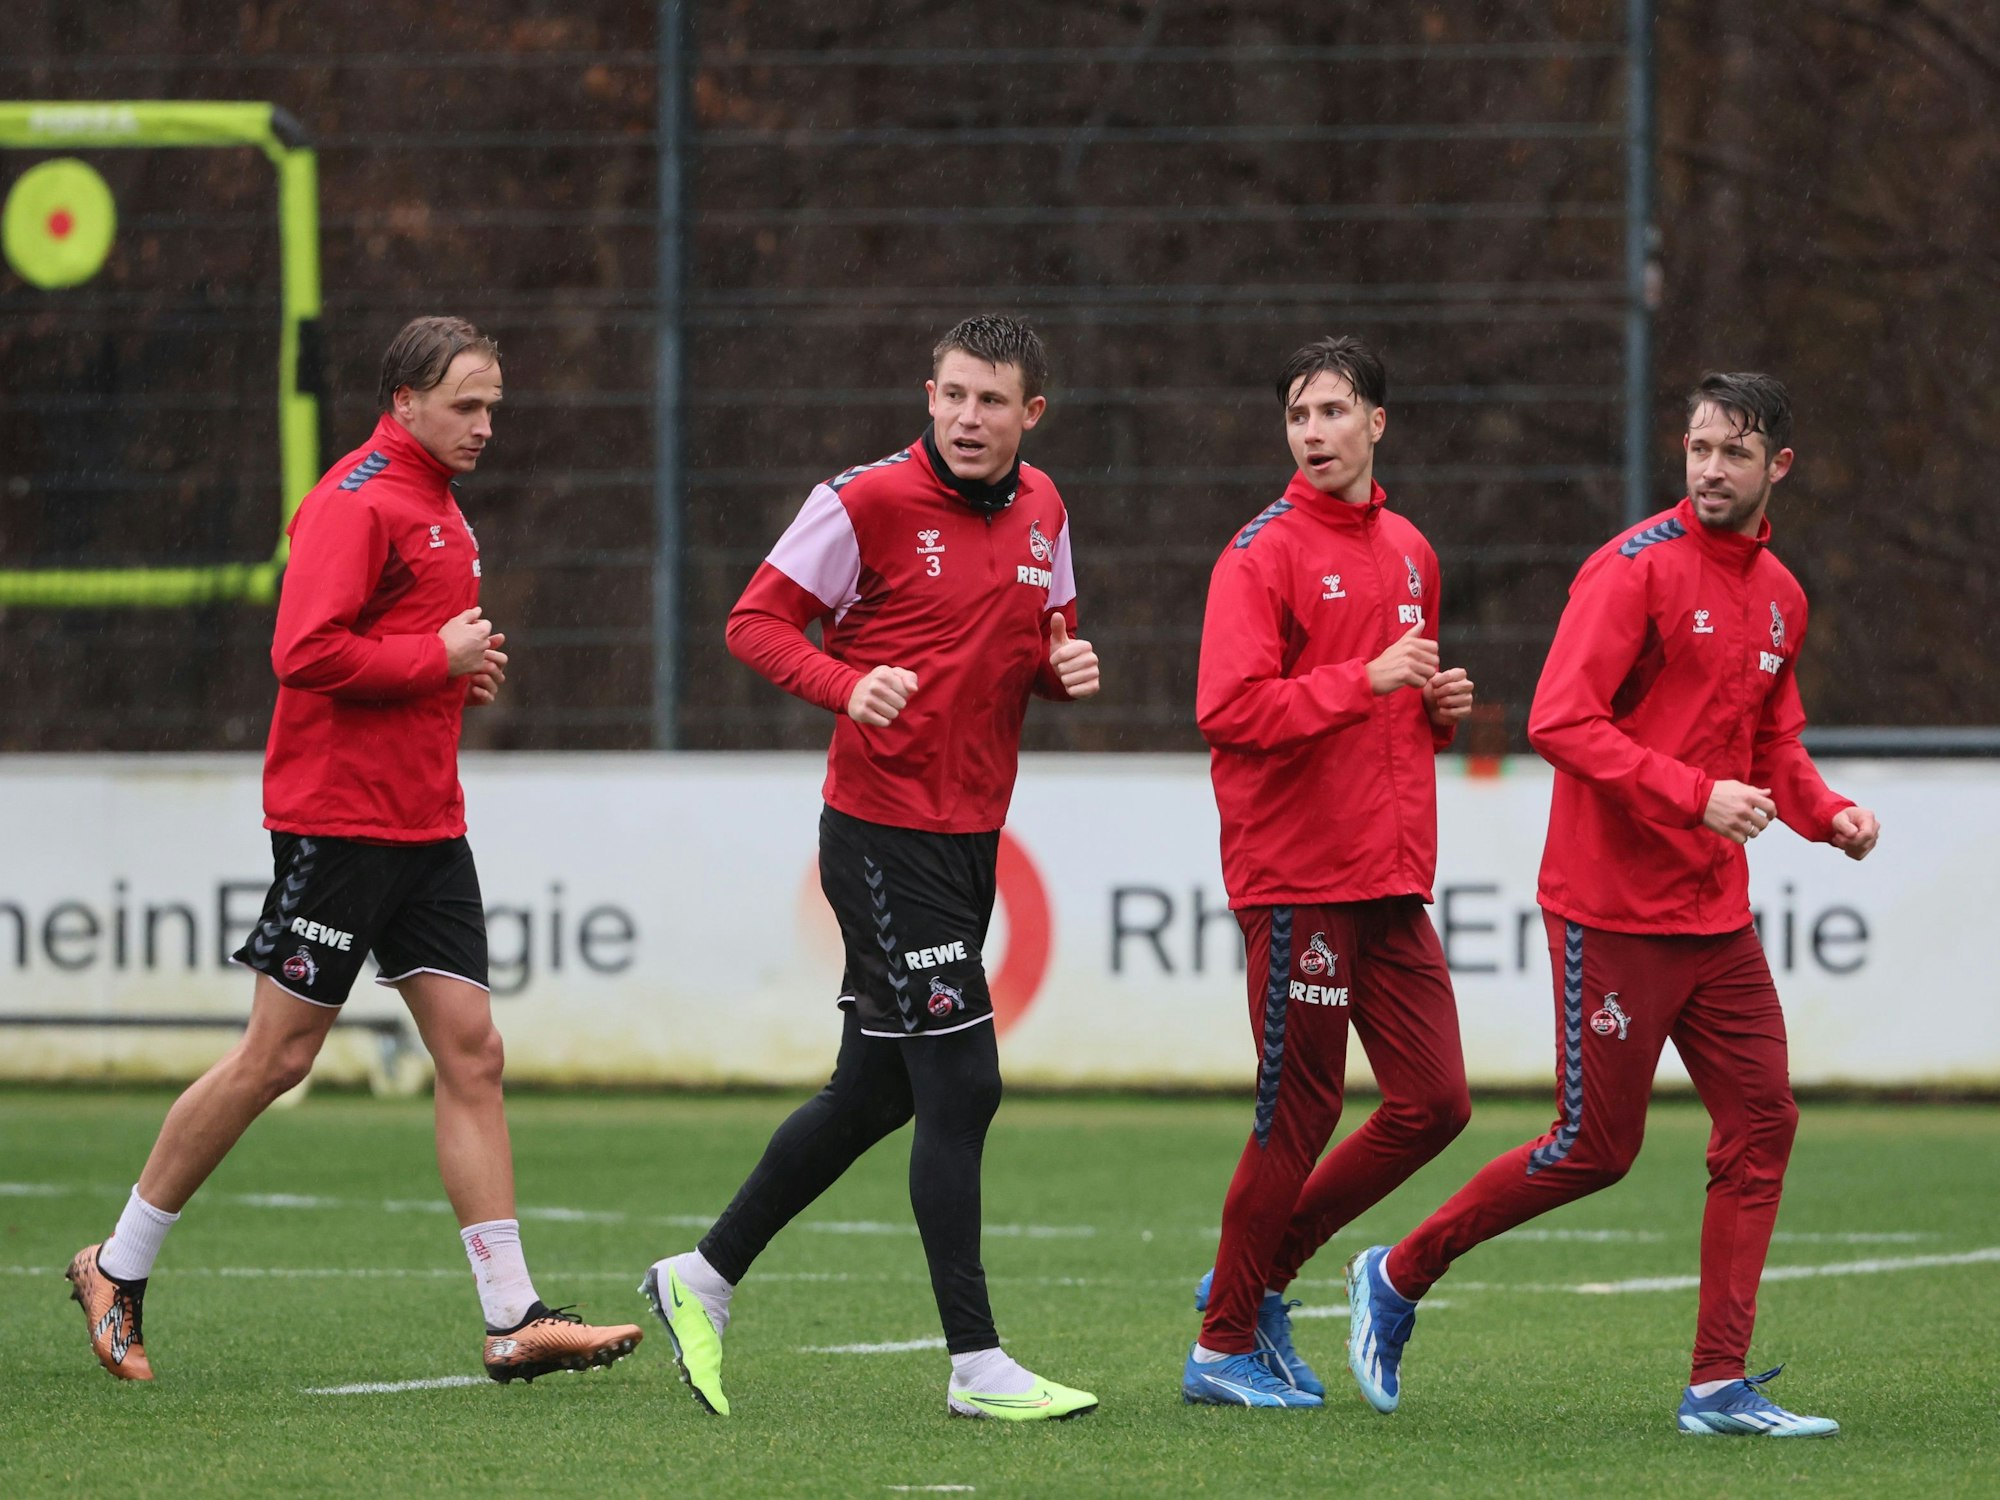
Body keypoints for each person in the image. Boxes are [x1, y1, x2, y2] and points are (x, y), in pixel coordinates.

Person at [65, 316, 642, 1385]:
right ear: (405, 399)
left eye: (493, 408)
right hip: (340, 820)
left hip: (426, 820)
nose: (483, 426)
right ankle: (116, 1264)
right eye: (466, 406)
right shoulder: (357, 499)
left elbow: (395, 647)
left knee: (472, 1050)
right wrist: (436, 655)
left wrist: (449, 670)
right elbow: (303, 652)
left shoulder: (438, 503)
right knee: (277, 1059)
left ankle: (511, 1317)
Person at [1345, 371, 1880, 1437]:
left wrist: (1826, 814)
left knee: (1761, 1120)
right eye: (1696, 448)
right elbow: (1558, 719)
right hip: (1610, 908)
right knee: (1593, 1148)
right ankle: (1397, 1272)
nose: (1710, 468)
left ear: (1777, 464)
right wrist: (1693, 796)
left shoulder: (1781, 595)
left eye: (1733, 451)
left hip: (1712, 918)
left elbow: (1774, 739)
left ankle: (1715, 1386)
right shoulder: (1631, 570)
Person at [639, 315, 1101, 1422]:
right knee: (963, 1083)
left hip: (969, 835)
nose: (967, 417)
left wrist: (1060, 666)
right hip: (880, 834)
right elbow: (753, 624)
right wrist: (847, 686)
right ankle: (976, 1365)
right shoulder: (864, 501)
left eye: (991, 401)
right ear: (927, 396)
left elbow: (1038, 635)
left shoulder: (1046, 508)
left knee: (874, 1091)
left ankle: (697, 1278)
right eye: (951, 395)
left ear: (1030, 413)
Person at [1181, 336, 1476, 1408]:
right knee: (1295, 1116)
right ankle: (1220, 1346)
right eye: (1299, 415)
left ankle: (1254, 1274)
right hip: (1298, 873)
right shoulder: (1258, 554)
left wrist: (1435, 715)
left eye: (1333, 412)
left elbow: (1392, 712)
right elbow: (1227, 711)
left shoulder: (1409, 550)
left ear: (1375, 424)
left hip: (1389, 877)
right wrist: (1364, 679)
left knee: (1436, 1102)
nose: (1313, 432)